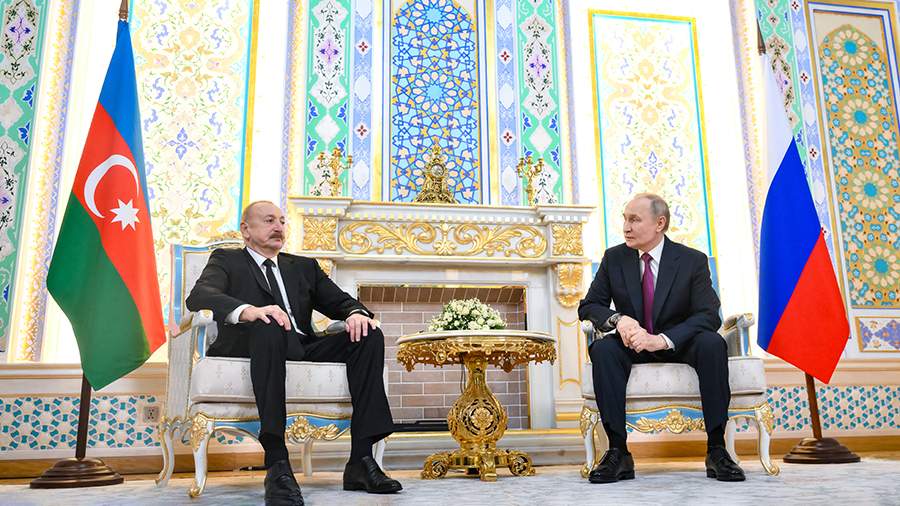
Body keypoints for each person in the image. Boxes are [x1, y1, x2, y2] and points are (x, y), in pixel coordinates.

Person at [187, 201, 401, 506]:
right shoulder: (227, 259)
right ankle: (277, 464)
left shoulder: (302, 266)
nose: (278, 227)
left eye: (282, 221)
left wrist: (354, 313)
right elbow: (200, 295)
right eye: (269, 220)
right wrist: (249, 310)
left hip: (301, 346)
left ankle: (361, 460)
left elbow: (341, 301)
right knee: (269, 324)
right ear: (246, 230)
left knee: (368, 334)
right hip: (253, 344)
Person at [578, 193, 745, 483]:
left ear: (659, 223)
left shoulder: (692, 260)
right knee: (603, 349)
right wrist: (619, 320)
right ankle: (618, 452)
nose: (626, 227)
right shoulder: (614, 258)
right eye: (625, 219)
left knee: (712, 343)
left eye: (634, 220)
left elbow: (708, 314)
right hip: (632, 343)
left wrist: (663, 339)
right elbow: (589, 306)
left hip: (678, 343)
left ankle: (717, 450)